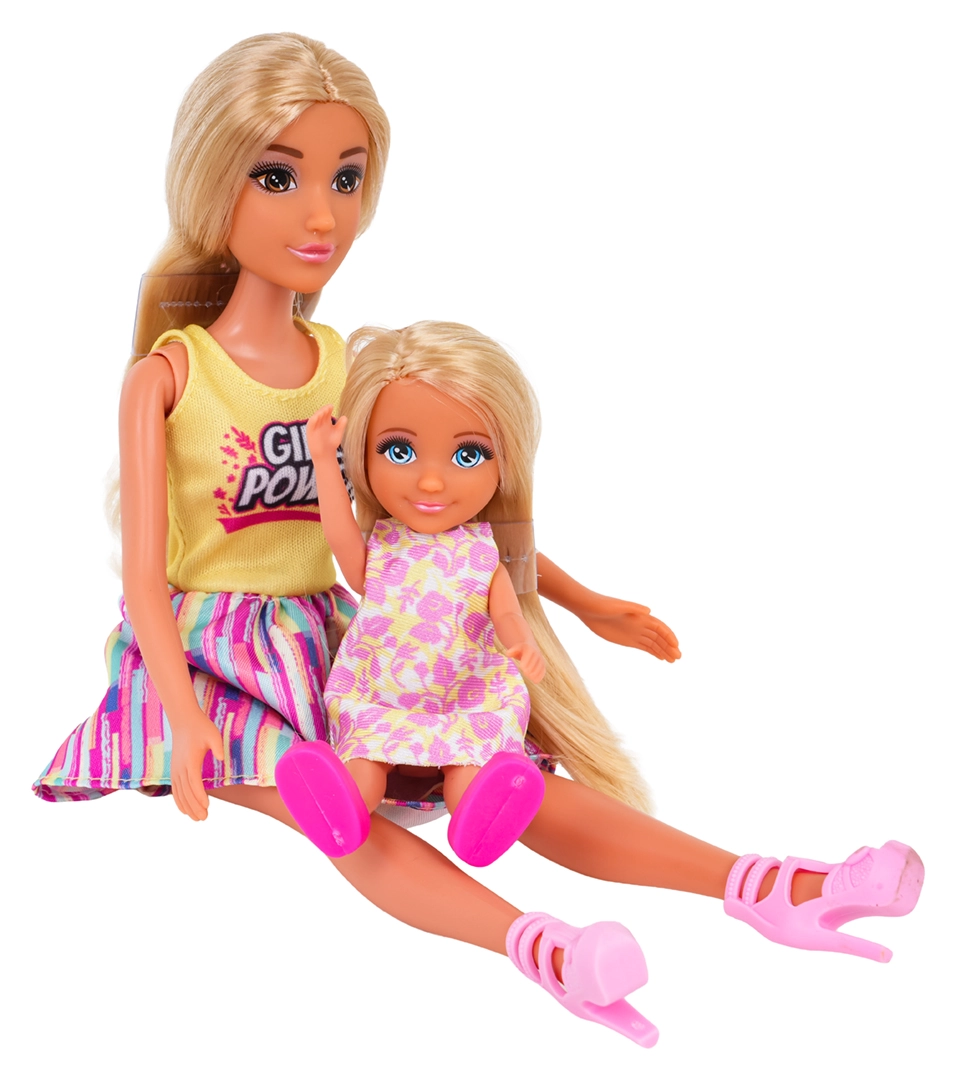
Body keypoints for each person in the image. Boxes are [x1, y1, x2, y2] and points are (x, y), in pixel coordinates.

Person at [31, 31, 922, 1047]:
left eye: (346, 179)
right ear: (210, 180)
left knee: (500, 768)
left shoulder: (343, 364)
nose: (322, 215)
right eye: (278, 177)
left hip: (335, 642)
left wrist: (581, 600)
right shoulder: (169, 376)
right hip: (205, 657)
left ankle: (771, 884)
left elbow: (437, 526)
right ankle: (545, 949)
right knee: (335, 812)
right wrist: (184, 716)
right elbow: (145, 577)